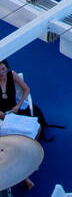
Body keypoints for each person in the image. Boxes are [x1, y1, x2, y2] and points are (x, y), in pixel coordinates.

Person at [0, 60, 35, 189]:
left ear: (7, 68)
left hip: (13, 114)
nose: (1, 72)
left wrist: (18, 105)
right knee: (10, 145)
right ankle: (25, 176)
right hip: (1, 117)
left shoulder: (12, 75)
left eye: (3, 69)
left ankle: (25, 166)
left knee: (26, 134)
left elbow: (26, 90)